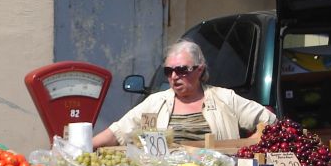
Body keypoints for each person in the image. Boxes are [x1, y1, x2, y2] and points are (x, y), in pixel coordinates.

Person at [92, 40, 276, 147]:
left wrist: (248, 144)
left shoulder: (224, 98)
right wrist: (82, 147)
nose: (174, 76)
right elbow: (117, 132)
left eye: (181, 70)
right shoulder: (156, 102)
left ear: (200, 70)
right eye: (168, 71)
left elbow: (271, 123)